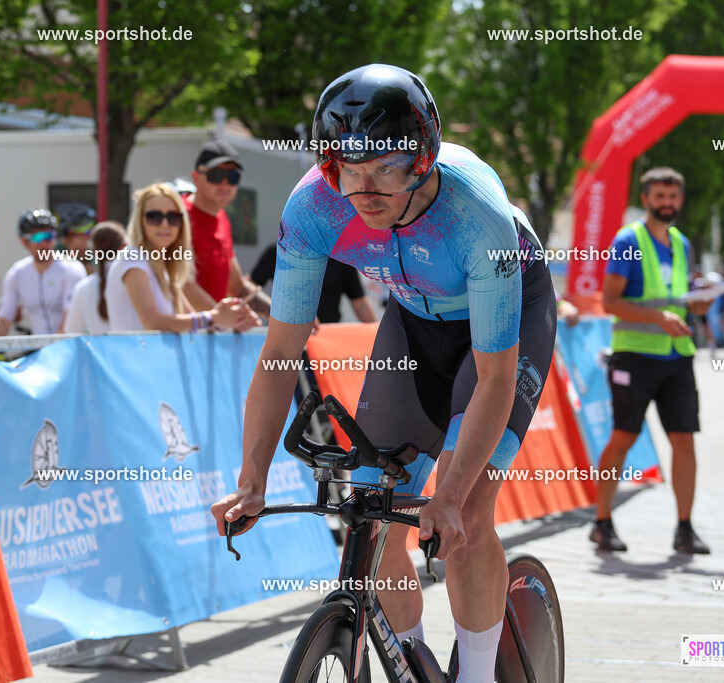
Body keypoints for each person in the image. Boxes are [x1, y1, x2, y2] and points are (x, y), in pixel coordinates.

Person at [210, 64, 556, 683]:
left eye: (386, 170)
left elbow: (495, 379)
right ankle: (411, 664)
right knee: (373, 512)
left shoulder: (475, 215)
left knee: (468, 514)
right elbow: (279, 353)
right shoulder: (313, 207)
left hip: (507, 320)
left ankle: (478, 675)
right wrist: (251, 479)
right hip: (414, 321)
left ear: (422, 161)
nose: (365, 191)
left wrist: (449, 496)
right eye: (348, 170)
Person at [590, 167, 712, 555]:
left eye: (673, 196)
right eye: (660, 196)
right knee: (623, 437)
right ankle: (602, 522)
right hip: (635, 357)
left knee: (684, 440)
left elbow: (675, 298)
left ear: (680, 199)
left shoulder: (681, 243)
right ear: (645, 199)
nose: (667, 203)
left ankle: (685, 528)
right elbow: (610, 301)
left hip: (677, 357)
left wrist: (696, 305)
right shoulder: (629, 241)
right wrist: (659, 318)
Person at [105, 183, 256, 333]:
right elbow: (152, 322)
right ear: (140, 221)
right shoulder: (132, 258)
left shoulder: (163, 266)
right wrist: (214, 317)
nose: (165, 224)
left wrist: (234, 319)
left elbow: (193, 320)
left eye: (173, 217)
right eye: (154, 216)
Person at [183, 140, 270, 315]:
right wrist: (221, 318)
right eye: (216, 175)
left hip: (214, 328)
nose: (224, 185)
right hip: (188, 329)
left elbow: (237, 287)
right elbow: (181, 283)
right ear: (196, 178)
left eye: (232, 177)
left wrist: (286, 315)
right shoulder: (177, 217)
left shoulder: (222, 218)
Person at [0, 208, 86, 337]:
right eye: (38, 237)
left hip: (66, 345)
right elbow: (3, 318)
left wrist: (52, 346)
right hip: (38, 346)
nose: (44, 243)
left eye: (49, 236)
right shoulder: (17, 273)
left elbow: (70, 316)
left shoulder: (72, 269)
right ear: (24, 242)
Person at [250, 243, 377, 323]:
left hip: (325, 337)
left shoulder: (341, 257)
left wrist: (377, 338)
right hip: (286, 335)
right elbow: (248, 287)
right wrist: (274, 309)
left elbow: (359, 302)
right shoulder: (277, 252)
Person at [64, 221, 126, 335]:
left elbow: (72, 331)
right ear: (124, 247)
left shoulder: (83, 288)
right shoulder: (134, 283)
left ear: (93, 252)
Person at [56, 202, 97, 274]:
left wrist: (83, 258)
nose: (90, 236)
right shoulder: (55, 249)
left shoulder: (97, 251)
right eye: (87, 232)